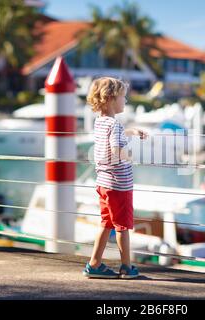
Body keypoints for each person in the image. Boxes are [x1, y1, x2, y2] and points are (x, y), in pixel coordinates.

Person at [83, 77, 148, 279]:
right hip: (119, 185)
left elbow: (113, 135)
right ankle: (126, 267)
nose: (125, 101)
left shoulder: (101, 122)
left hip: (104, 183)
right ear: (111, 99)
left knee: (106, 224)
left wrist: (131, 132)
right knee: (123, 227)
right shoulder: (115, 125)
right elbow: (116, 149)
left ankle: (94, 264)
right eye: (123, 97)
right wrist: (130, 156)